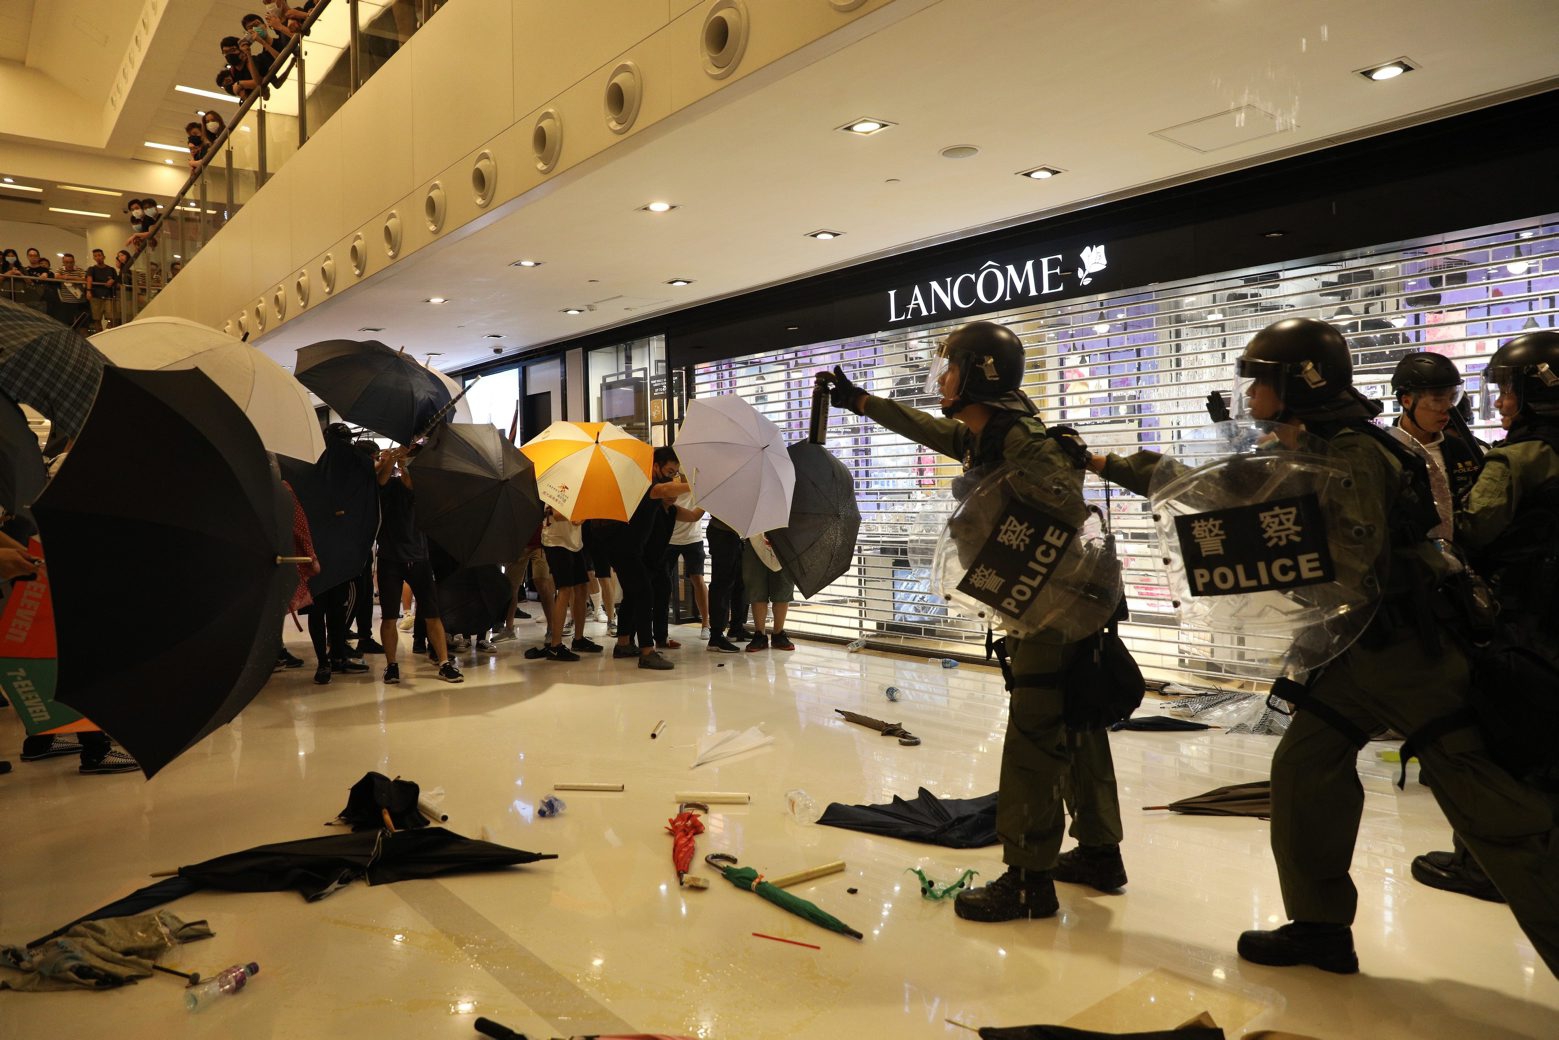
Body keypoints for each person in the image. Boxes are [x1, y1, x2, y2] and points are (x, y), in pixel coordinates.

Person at [1130, 317, 1559, 976]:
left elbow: (1350, 563)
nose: (1249, 395)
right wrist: (1113, 465)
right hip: (1354, 656)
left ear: (1298, 383)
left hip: (1407, 657)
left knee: (1497, 819)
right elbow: (1228, 494)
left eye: (1260, 382)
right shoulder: (1313, 447)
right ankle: (1318, 927)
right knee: (1304, 774)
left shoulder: (1353, 452)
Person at [820, 320, 1128, 922]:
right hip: (1054, 610)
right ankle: (1098, 851)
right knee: (1077, 726)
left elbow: (1067, 514)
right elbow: (934, 431)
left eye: (951, 367)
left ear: (979, 375)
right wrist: (862, 402)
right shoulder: (989, 436)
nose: (943, 379)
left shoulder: (1023, 443)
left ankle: (1026, 880)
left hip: (1052, 614)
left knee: (1036, 739)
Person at [1379, 352, 1501, 902]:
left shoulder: (1467, 446)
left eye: (1451, 398)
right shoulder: (1383, 449)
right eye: (1434, 399)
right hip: (1410, 591)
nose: (1444, 408)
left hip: (1467, 588)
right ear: (1405, 398)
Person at [374, 445, 462, 684]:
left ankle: (444, 662)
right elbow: (380, 480)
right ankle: (392, 665)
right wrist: (392, 458)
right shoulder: (389, 487)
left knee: (433, 613)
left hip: (420, 557)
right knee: (389, 617)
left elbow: (416, 486)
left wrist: (404, 462)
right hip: (391, 558)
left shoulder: (424, 490)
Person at [607, 449, 691, 670]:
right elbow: (665, 489)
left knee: (634, 596)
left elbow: (678, 502)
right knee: (645, 593)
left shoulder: (653, 487)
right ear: (656, 466)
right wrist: (699, 485)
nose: (671, 476)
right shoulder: (647, 484)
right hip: (623, 548)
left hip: (630, 550)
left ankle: (623, 644)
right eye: (669, 471)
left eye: (675, 472)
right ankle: (647, 652)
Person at [540, 507, 601, 660]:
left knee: (582, 587)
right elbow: (558, 515)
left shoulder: (580, 489)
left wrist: (583, 516)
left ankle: (579, 639)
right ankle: (555, 645)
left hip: (575, 543)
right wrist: (577, 515)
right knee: (565, 589)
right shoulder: (554, 484)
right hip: (556, 542)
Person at [664, 483, 710, 639]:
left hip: (693, 538)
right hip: (670, 538)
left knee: (698, 578)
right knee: (663, 581)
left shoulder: (698, 480)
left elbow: (695, 515)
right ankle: (661, 627)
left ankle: (706, 624)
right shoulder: (669, 483)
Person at [741, 534, 795, 652]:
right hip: (755, 539)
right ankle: (760, 634)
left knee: (783, 588)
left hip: (785, 540)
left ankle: (778, 634)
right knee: (757, 588)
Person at [704, 514, 748, 653]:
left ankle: (736, 628)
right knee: (722, 585)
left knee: (739, 584)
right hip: (722, 532)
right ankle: (716, 636)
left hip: (734, 534)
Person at [85, 249, 118, 331]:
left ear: (104, 257)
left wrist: (113, 280)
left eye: (99, 255)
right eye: (95, 256)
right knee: (97, 318)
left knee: (111, 318)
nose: (98, 257)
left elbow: (117, 280)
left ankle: (108, 334)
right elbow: (89, 279)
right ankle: (99, 335)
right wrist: (88, 291)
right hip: (96, 296)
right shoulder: (91, 269)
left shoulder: (111, 269)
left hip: (108, 296)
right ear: (93, 258)